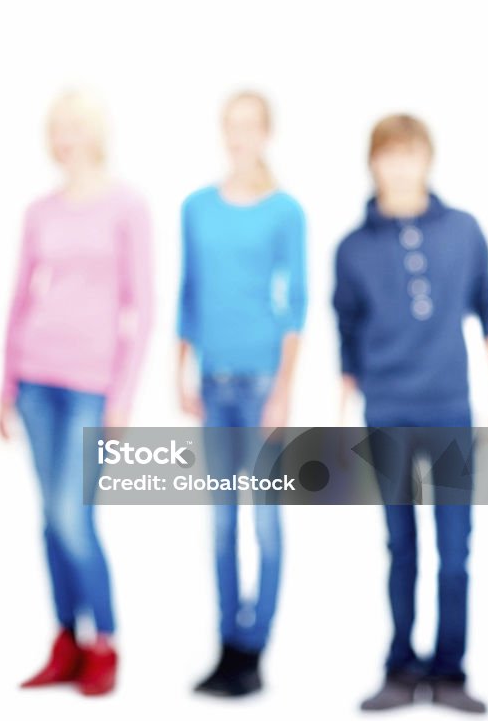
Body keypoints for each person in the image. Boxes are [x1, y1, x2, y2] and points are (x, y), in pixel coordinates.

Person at [0, 89, 153, 696]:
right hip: (36, 380)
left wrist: (124, 396)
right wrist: (6, 384)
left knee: (73, 516)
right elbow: (19, 295)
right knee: (47, 519)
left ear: (95, 133)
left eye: (74, 128)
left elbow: (143, 305)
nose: (64, 139)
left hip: (92, 388)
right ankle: (65, 641)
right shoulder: (40, 209)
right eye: (56, 128)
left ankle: (105, 641)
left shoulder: (128, 206)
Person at [334, 114, 488, 714]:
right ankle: (400, 666)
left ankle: (450, 671)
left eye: (410, 154)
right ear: (373, 162)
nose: (399, 166)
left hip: (451, 410)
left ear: (428, 159)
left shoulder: (465, 231)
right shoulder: (352, 248)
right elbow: (346, 332)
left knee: (456, 552)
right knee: (402, 547)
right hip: (388, 413)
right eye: (388, 155)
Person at [176, 90, 307, 697]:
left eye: (250, 126)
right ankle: (228, 647)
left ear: (266, 133)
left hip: (260, 385)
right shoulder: (197, 207)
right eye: (231, 126)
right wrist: (181, 367)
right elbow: (190, 291)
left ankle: (256, 647)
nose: (239, 137)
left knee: (267, 526)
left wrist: (283, 389)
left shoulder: (285, 212)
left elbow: (295, 304)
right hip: (214, 383)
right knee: (223, 525)